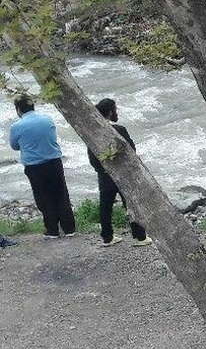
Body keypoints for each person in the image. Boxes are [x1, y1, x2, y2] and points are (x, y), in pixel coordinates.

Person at [8, 95, 76, 238]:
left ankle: (52, 230)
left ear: (18, 109)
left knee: (43, 197)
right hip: (54, 162)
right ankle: (69, 229)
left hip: (34, 166)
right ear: (33, 106)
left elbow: (14, 146)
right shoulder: (47, 119)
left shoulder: (16, 127)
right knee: (61, 194)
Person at [87, 98, 151, 247]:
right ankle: (140, 237)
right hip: (123, 175)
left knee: (105, 206)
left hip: (104, 175)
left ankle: (107, 237)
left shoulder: (93, 132)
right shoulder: (119, 130)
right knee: (130, 205)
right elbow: (131, 151)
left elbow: (92, 158)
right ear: (110, 112)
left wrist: (101, 170)